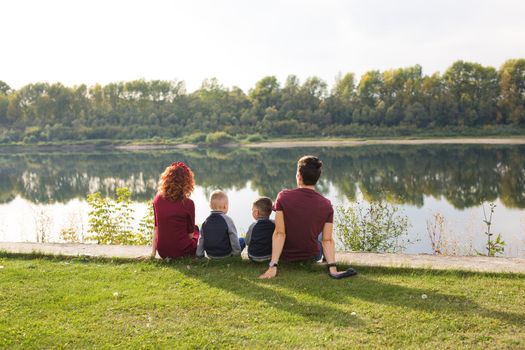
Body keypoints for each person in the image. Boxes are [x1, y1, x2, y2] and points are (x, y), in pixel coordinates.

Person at [259, 155, 357, 279]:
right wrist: (333, 269)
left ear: (299, 176)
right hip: (311, 256)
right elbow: (327, 240)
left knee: (278, 225)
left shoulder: (283, 197)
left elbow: (279, 233)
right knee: (322, 233)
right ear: (317, 178)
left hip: (285, 256)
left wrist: (272, 266)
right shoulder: (326, 204)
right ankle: (326, 263)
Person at [151, 161, 200, 259]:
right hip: (182, 251)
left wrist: (153, 253)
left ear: (166, 179)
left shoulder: (157, 199)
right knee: (196, 230)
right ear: (187, 182)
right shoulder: (188, 203)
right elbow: (190, 235)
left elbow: (156, 228)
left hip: (163, 251)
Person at [196, 190, 245, 258]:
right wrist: (236, 254)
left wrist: (199, 254)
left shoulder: (205, 222)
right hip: (226, 254)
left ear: (210, 206)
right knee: (242, 240)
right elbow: (233, 237)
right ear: (225, 206)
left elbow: (201, 239)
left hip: (211, 254)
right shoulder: (228, 220)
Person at [245, 197, 275, 262]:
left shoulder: (253, 226)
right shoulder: (274, 224)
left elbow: (247, 242)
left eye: (252, 210)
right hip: (271, 256)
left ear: (256, 212)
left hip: (254, 257)